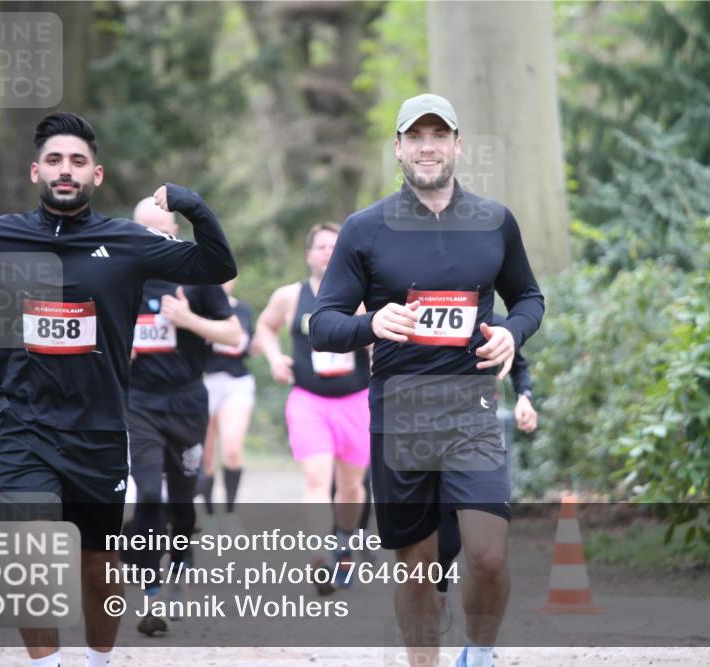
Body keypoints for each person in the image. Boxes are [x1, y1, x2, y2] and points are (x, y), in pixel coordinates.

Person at [0, 112, 236, 667]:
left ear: (97, 175)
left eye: (78, 162)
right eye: (56, 161)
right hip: (23, 427)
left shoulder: (129, 241)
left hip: (101, 430)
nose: (67, 171)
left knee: (98, 563)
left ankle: (97, 661)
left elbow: (216, 264)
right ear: (36, 170)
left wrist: (191, 205)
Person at [309, 94, 543, 667]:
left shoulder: (494, 221)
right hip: (400, 415)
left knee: (488, 556)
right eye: (416, 137)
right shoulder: (366, 229)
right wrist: (370, 323)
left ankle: (479, 655)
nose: (428, 146)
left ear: (457, 145)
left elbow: (529, 298)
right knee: (417, 563)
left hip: (471, 412)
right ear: (398, 148)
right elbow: (322, 324)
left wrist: (513, 331)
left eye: (439, 135)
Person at [126, 198, 242, 635]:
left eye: (165, 232)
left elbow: (233, 334)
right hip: (139, 400)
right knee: (149, 493)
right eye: (147, 233)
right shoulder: (124, 276)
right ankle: (150, 591)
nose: (157, 240)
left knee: (182, 499)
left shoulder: (195, 272)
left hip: (187, 399)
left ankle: (181, 558)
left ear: (176, 229)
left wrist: (188, 318)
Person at [252, 222, 371, 594]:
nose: (327, 252)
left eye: (334, 246)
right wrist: (274, 358)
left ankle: (345, 543)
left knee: (351, 486)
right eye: (320, 246)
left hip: (356, 401)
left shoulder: (363, 295)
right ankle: (319, 556)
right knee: (317, 479)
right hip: (309, 400)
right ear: (309, 255)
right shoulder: (290, 296)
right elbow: (265, 327)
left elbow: (379, 336)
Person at [436, 312, 538, 634]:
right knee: (444, 538)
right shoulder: (420, 309)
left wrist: (525, 398)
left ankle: (479, 646)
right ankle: (438, 590)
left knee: (482, 543)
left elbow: (518, 363)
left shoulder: (492, 319)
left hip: (476, 435)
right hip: (421, 434)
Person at [197, 278, 254, 514]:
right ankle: (209, 512)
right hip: (206, 381)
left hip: (236, 382)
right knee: (206, 453)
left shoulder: (243, 310)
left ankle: (230, 511)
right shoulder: (198, 308)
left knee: (231, 449)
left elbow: (249, 345)